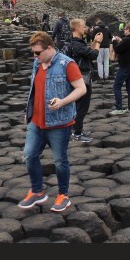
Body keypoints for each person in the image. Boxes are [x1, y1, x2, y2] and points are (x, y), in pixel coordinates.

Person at [19, 31, 87, 213]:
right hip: (36, 121)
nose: (35, 56)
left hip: (59, 123)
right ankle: (37, 191)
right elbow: (34, 91)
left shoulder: (67, 64)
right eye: (33, 53)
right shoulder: (37, 63)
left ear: (49, 48)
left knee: (60, 161)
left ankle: (63, 195)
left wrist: (63, 101)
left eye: (37, 52)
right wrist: (29, 111)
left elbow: (81, 89)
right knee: (29, 155)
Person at [67, 19, 102, 143]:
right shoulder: (76, 44)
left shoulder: (76, 43)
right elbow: (93, 55)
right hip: (82, 78)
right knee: (82, 107)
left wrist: (94, 42)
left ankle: (77, 130)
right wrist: (98, 43)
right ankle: (76, 133)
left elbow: (88, 52)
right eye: (83, 26)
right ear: (76, 28)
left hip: (80, 77)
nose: (85, 28)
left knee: (78, 106)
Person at [109, 22, 130, 115]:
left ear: (129, 30)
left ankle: (119, 108)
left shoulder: (127, 40)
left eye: (125, 29)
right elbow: (125, 47)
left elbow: (117, 49)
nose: (124, 31)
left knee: (116, 87)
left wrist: (114, 41)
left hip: (125, 67)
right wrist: (120, 41)